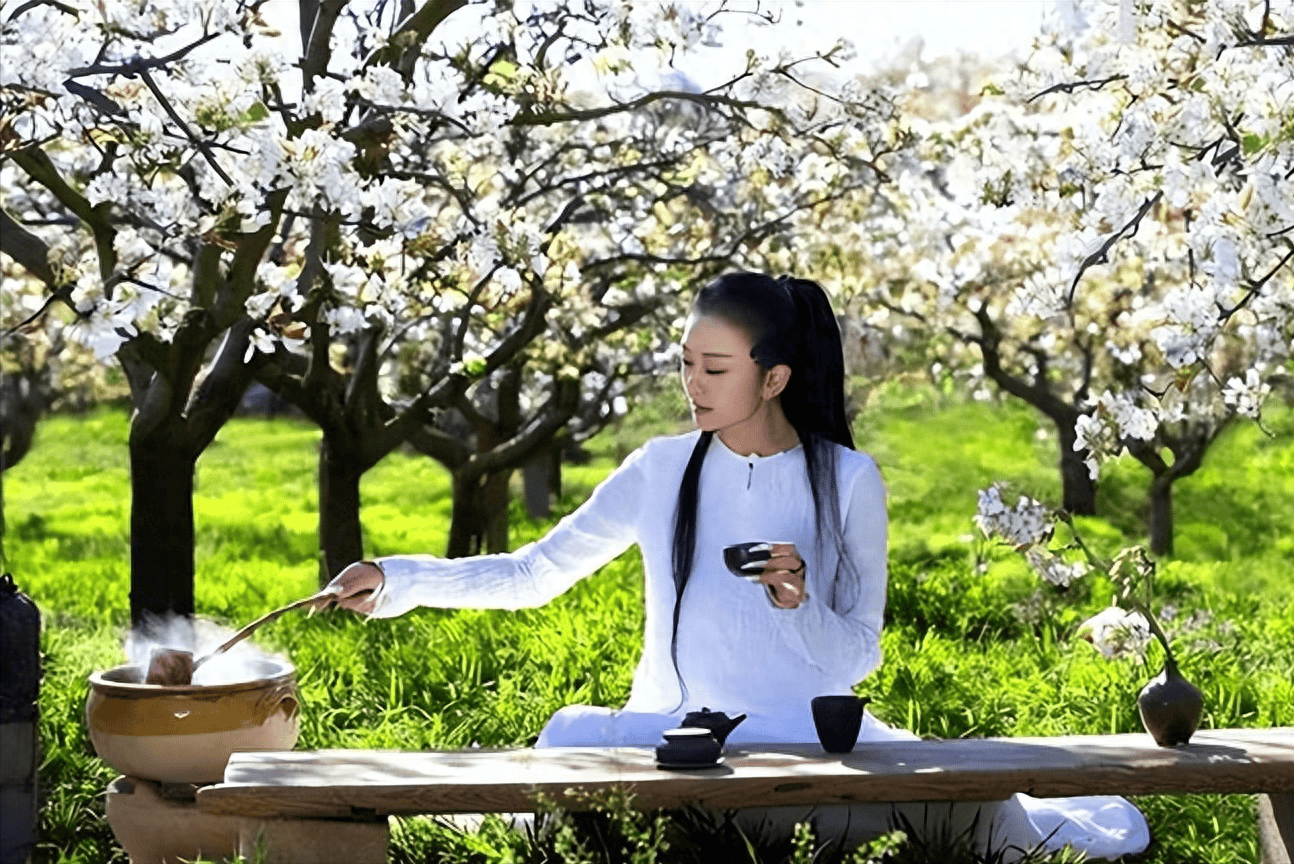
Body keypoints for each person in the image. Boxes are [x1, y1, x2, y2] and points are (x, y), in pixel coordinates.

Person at [324, 272, 1149, 860]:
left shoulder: (848, 481)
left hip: (800, 747)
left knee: (976, 808)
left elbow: (859, 654)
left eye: (715, 369)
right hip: (670, 746)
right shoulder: (658, 467)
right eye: (686, 363)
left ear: (775, 376)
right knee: (570, 732)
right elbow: (535, 573)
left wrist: (800, 602)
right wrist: (397, 579)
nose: (693, 384)